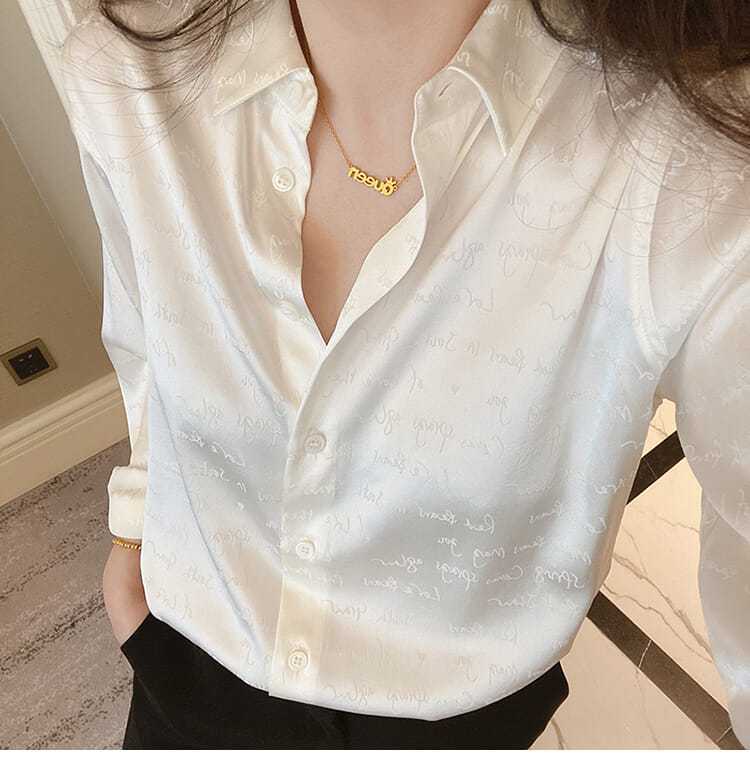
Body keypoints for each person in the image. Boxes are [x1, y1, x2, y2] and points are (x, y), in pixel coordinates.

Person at [58, 0, 750, 749]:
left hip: (453, 722)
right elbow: (144, 348)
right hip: (186, 663)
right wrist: (134, 530)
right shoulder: (125, 71)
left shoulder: (696, 174)